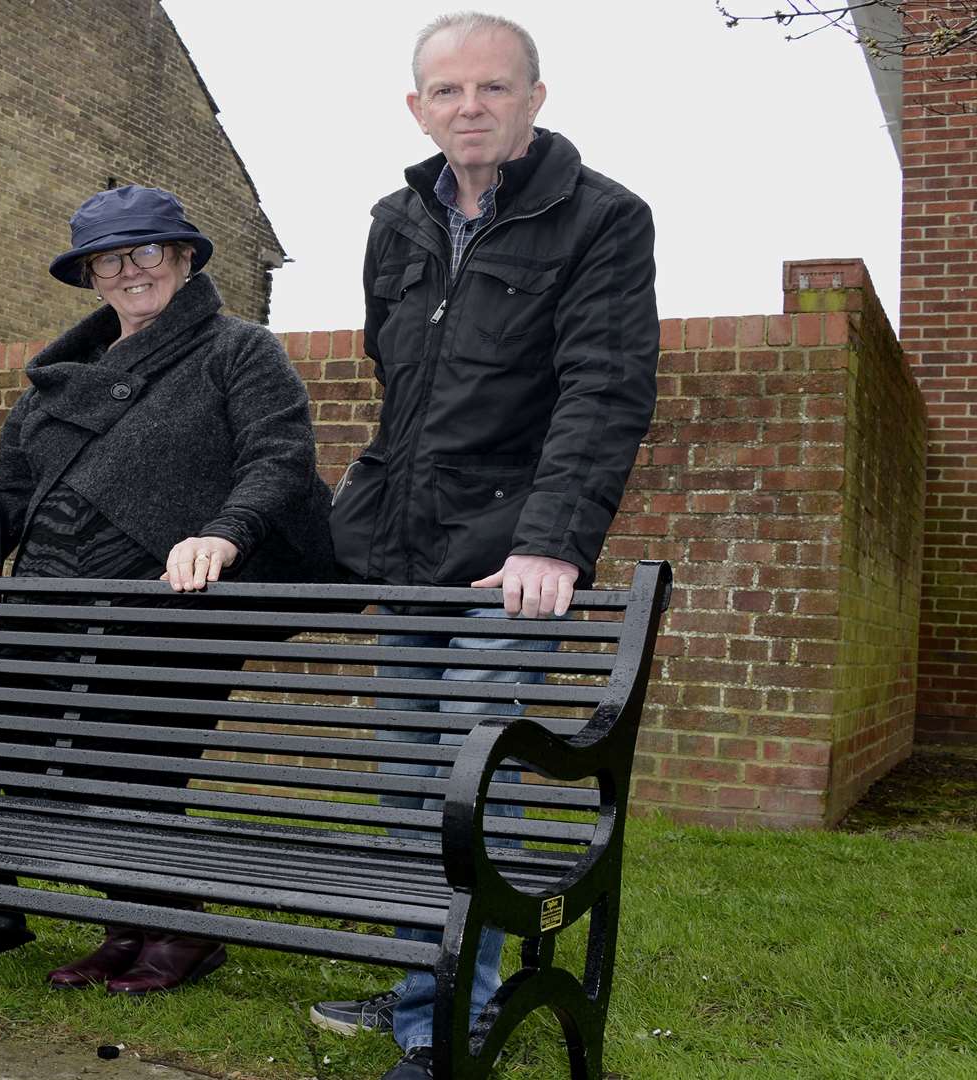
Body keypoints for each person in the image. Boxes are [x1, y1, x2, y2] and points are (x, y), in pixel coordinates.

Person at [0, 184, 335, 992]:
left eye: (147, 252)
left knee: (131, 758)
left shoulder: (239, 350)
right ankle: (127, 920)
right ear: (91, 275)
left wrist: (222, 532)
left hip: (167, 596)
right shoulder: (59, 380)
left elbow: (277, 457)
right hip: (51, 594)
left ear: (182, 258)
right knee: (11, 728)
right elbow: (7, 492)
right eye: (111, 258)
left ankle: (181, 928)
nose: (130, 271)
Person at [314, 13, 657, 1079]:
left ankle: (456, 1016)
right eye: (449, 92)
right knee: (406, 782)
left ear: (535, 99)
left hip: (513, 560)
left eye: (493, 89)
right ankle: (427, 982)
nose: (471, 107)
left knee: (478, 781)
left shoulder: (601, 218)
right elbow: (400, 389)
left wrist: (551, 542)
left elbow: (604, 388)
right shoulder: (393, 222)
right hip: (412, 555)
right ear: (418, 108)